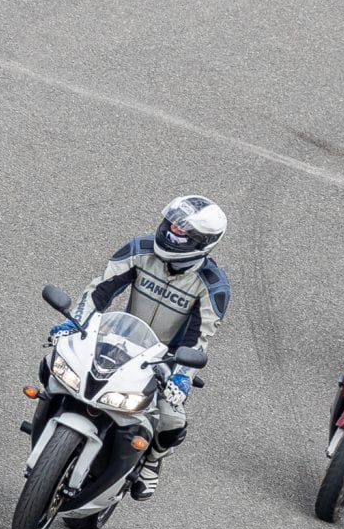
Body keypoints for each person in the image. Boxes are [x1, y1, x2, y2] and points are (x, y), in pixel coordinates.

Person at [54, 195, 230, 500]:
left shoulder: (212, 285)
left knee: (172, 419)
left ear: (203, 242)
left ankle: (152, 461)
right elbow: (100, 291)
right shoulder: (139, 248)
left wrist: (180, 377)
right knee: (55, 363)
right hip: (119, 337)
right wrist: (75, 324)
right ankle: (53, 412)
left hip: (163, 359)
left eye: (182, 232)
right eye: (171, 225)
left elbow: (198, 339)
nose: (172, 233)